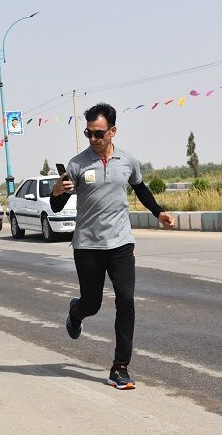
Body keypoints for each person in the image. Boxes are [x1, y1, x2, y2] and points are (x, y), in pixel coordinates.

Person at [51, 102, 175, 390]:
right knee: (91, 304)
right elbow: (57, 206)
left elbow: (140, 188)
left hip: (120, 243)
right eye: (89, 134)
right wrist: (58, 190)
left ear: (113, 131)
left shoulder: (128, 161)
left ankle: (120, 368)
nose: (93, 139)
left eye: (99, 134)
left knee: (126, 301)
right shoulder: (77, 164)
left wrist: (159, 212)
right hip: (88, 245)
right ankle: (75, 312)